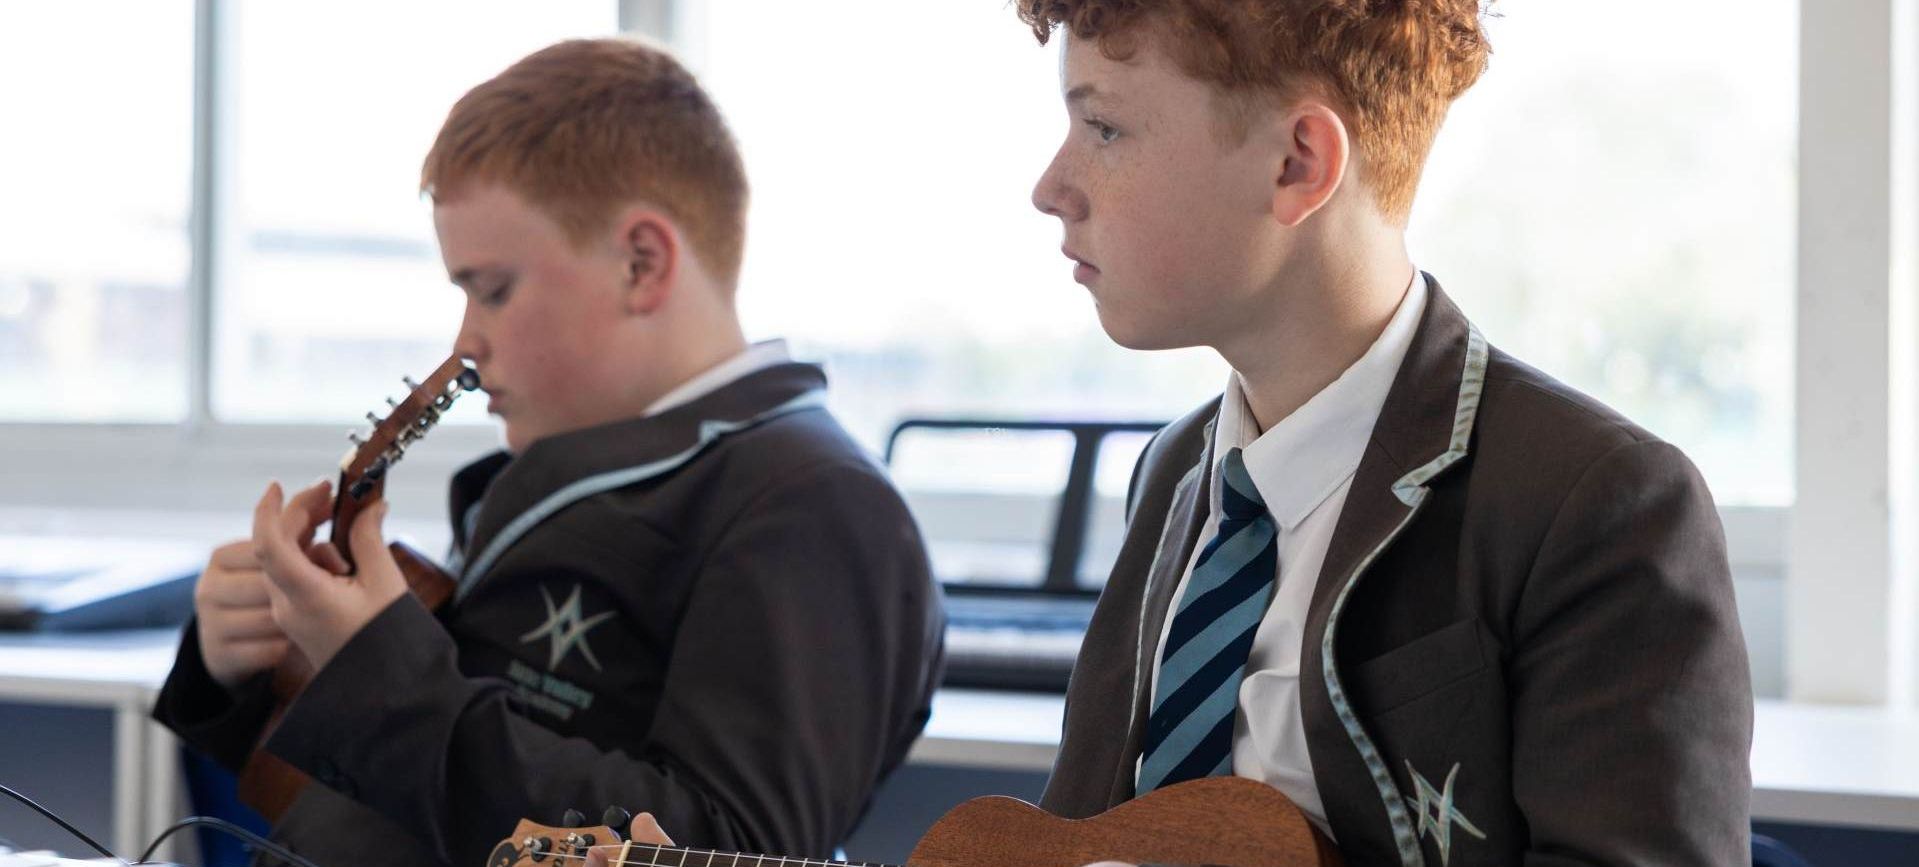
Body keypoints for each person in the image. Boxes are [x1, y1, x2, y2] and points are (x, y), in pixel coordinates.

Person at [153, 37, 945, 867]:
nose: (465, 343)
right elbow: (433, 768)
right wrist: (264, 660)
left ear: (642, 264)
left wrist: (377, 669)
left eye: (493, 290)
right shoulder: (574, 470)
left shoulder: (817, 509)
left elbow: (722, 848)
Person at [1011, 1, 1754, 864]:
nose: (1050, 188)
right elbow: (1079, 835)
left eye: (1103, 128)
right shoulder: (1176, 469)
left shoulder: (1600, 504)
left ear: (1297, 164)